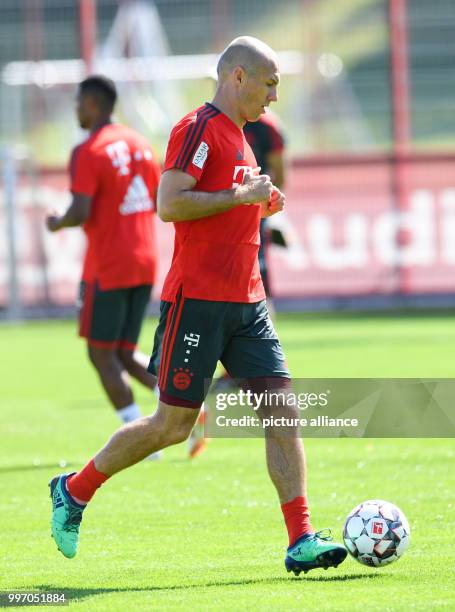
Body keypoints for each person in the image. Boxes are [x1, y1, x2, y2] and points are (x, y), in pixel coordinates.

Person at [48, 38, 347, 575]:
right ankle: (74, 490)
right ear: (237, 76)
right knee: (172, 425)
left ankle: (301, 537)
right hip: (199, 302)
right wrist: (241, 198)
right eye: (269, 82)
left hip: (248, 302)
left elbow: (231, 199)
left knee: (282, 411)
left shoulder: (240, 136)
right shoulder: (198, 129)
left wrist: (261, 200)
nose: (274, 95)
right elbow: (170, 203)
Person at [45, 75, 161, 438]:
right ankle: (191, 408)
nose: (76, 109)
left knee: (100, 354)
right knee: (126, 351)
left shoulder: (89, 150)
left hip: (108, 265)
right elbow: (158, 200)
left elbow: (80, 211)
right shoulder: (141, 144)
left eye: (79, 102)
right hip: (145, 260)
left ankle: (139, 437)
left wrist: (57, 223)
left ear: (93, 104)